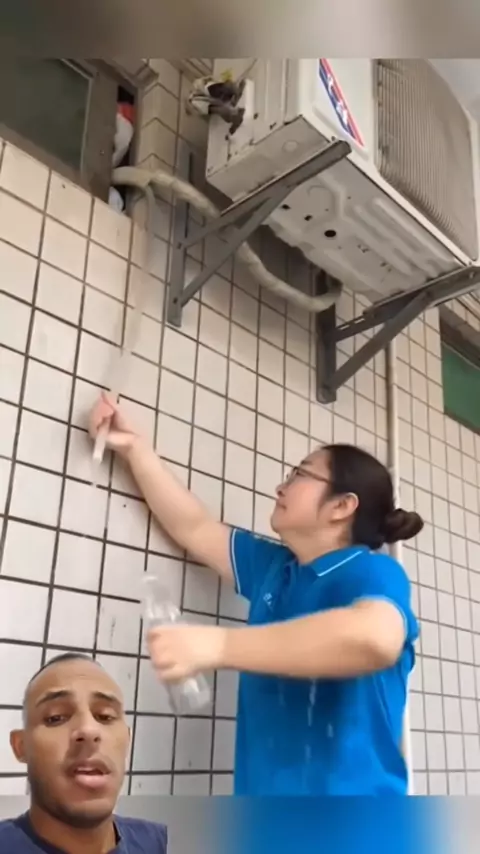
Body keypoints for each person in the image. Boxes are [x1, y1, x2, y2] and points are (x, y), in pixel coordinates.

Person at [89, 392, 423, 796]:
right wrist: (135, 448)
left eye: (300, 474)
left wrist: (218, 646)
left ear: (341, 506)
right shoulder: (274, 568)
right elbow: (194, 527)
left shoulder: (372, 571)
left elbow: (374, 638)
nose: (281, 486)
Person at [0, 652, 168, 853]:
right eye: (56, 717)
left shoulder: (160, 841)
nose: (89, 730)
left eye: (105, 716)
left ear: (127, 739)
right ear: (20, 746)